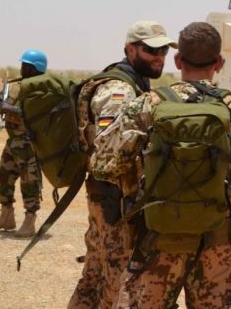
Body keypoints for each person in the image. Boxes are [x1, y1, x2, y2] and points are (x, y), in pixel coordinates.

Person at [91, 22, 231, 309]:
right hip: (220, 249)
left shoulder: (147, 105)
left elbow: (103, 165)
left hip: (156, 242)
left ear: (177, 61)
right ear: (219, 63)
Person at [68, 21, 177, 309]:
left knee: (93, 276)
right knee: (115, 283)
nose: (159, 57)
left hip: (111, 200)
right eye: (151, 49)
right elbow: (108, 157)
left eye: (163, 49)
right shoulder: (118, 91)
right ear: (130, 49)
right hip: (117, 205)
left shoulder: (135, 85)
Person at [0, 49, 47, 238]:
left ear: (36, 69)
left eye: (26, 66)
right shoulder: (17, 85)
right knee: (2, 179)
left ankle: (29, 221)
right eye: (22, 65)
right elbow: (9, 101)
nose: (22, 68)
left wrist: (9, 108)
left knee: (30, 183)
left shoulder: (39, 89)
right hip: (14, 141)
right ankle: (6, 216)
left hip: (28, 143)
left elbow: (33, 114)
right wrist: (0, 98)